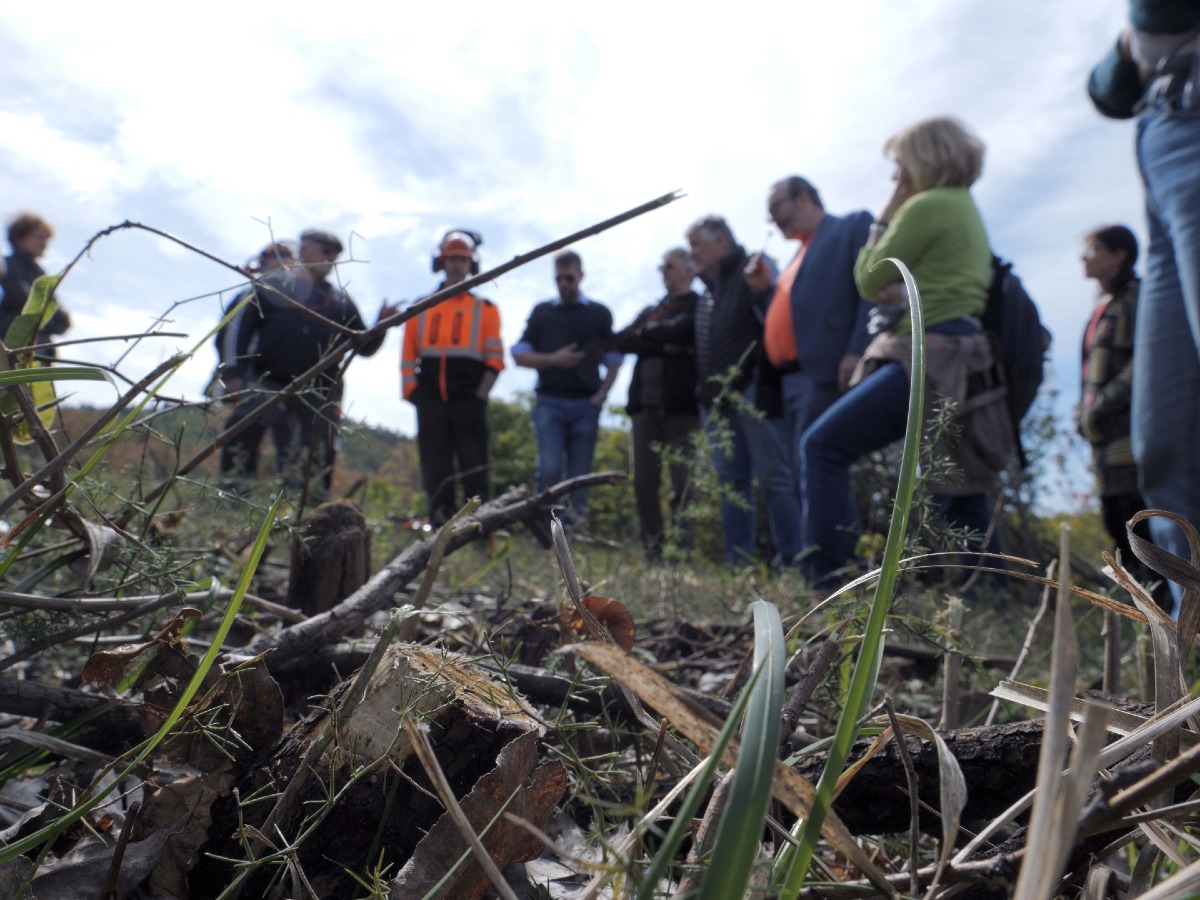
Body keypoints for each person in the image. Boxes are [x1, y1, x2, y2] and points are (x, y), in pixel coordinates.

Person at [800, 116, 997, 586]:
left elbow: (868, 278)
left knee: (822, 446)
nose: (896, 177)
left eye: (900, 166)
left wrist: (888, 210)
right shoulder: (963, 206)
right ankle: (993, 594)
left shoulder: (926, 205)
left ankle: (827, 578)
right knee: (963, 476)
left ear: (923, 160)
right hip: (964, 352)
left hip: (927, 351)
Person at [1089, 7, 1200, 614]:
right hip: (1164, 127)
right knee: (1165, 445)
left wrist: (1144, 39)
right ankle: (1190, 656)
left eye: (1092, 250)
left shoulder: (1124, 301)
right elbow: (1107, 91)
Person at [219, 228, 394, 493]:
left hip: (319, 391)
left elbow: (364, 347)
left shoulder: (340, 300)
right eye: (324, 251)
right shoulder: (272, 286)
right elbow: (237, 328)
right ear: (303, 251)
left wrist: (381, 325)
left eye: (335, 254)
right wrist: (233, 374)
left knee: (316, 450)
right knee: (242, 433)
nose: (331, 258)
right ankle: (231, 498)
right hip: (267, 381)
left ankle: (307, 512)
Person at [744, 176, 875, 515]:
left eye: (776, 208)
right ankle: (819, 557)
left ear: (802, 198)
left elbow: (872, 291)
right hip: (787, 384)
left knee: (817, 466)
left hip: (825, 373)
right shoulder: (794, 259)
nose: (774, 219)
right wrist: (763, 291)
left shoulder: (851, 226)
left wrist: (857, 350)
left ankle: (829, 563)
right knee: (802, 471)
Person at [688, 215, 801, 566]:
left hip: (754, 392)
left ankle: (798, 560)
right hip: (715, 403)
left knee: (774, 478)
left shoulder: (755, 267)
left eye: (696, 245)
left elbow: (781, 312)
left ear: (720, 241)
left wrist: (762, 288)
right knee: (731, 485)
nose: (693, 255)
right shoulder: (708, 292)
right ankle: (738, 564)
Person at [1078, 225, 1168, 605]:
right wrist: (1082, 410)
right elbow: (1088, 376)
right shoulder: (1101, 308)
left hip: (1133, 438)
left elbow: (1147, 359)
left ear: (1119, 255)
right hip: (1103, 447)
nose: (1085, 257)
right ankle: (1147, 627)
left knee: (1145, 531)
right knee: (1118, 528)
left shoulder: (1137, 298)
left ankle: (1175, 627)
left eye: (1094, 249)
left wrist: (1104, 401)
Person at [401, 230, 504, 526]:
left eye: (463, 259)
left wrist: (480, 396)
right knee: (435, 468)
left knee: (475, 467)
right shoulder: (421, 306)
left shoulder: (485, 309)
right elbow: (408, 354)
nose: (457, 265)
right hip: (430, 399)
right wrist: (414, 393)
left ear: (471, 263)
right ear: (441, 261)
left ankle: (479, 528)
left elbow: (495, 358)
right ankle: (440, 525)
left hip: (469, 399)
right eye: (452, 259)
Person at [512, 250, 621, 524]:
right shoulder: (543, 313)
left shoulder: (598, 314)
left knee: (579, 476)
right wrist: (554, 359)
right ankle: (546, 534)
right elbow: (518, 354)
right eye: (558, 278)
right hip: (549, 403)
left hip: (586, 405)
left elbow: (615, 359)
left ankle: (572, 537)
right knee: (548, 470)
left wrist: (601, 395)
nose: (563, 283)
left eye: (569, 277)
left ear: (581, 276)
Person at [614, 248, 701, 559]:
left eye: (668, 266)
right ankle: (653, 551)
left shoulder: (699, 304)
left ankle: (681, 552)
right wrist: (666, 341)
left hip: (681, 409)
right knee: (644, 485)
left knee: (683, 484)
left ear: (689, 270)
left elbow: (687, 331)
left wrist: (649, 337)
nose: (663, 271)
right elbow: (622, 340)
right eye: (661, 266)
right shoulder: (653, 309)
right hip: (643, 409)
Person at [1, 212, 70, 354]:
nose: (44, 243)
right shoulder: (5, 265)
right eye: (39, 237)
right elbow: (18, 297)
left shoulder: (41, 276)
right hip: (9, 348)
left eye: (46, 239)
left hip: (40, 354)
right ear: (19, 238)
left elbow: (62, 323)